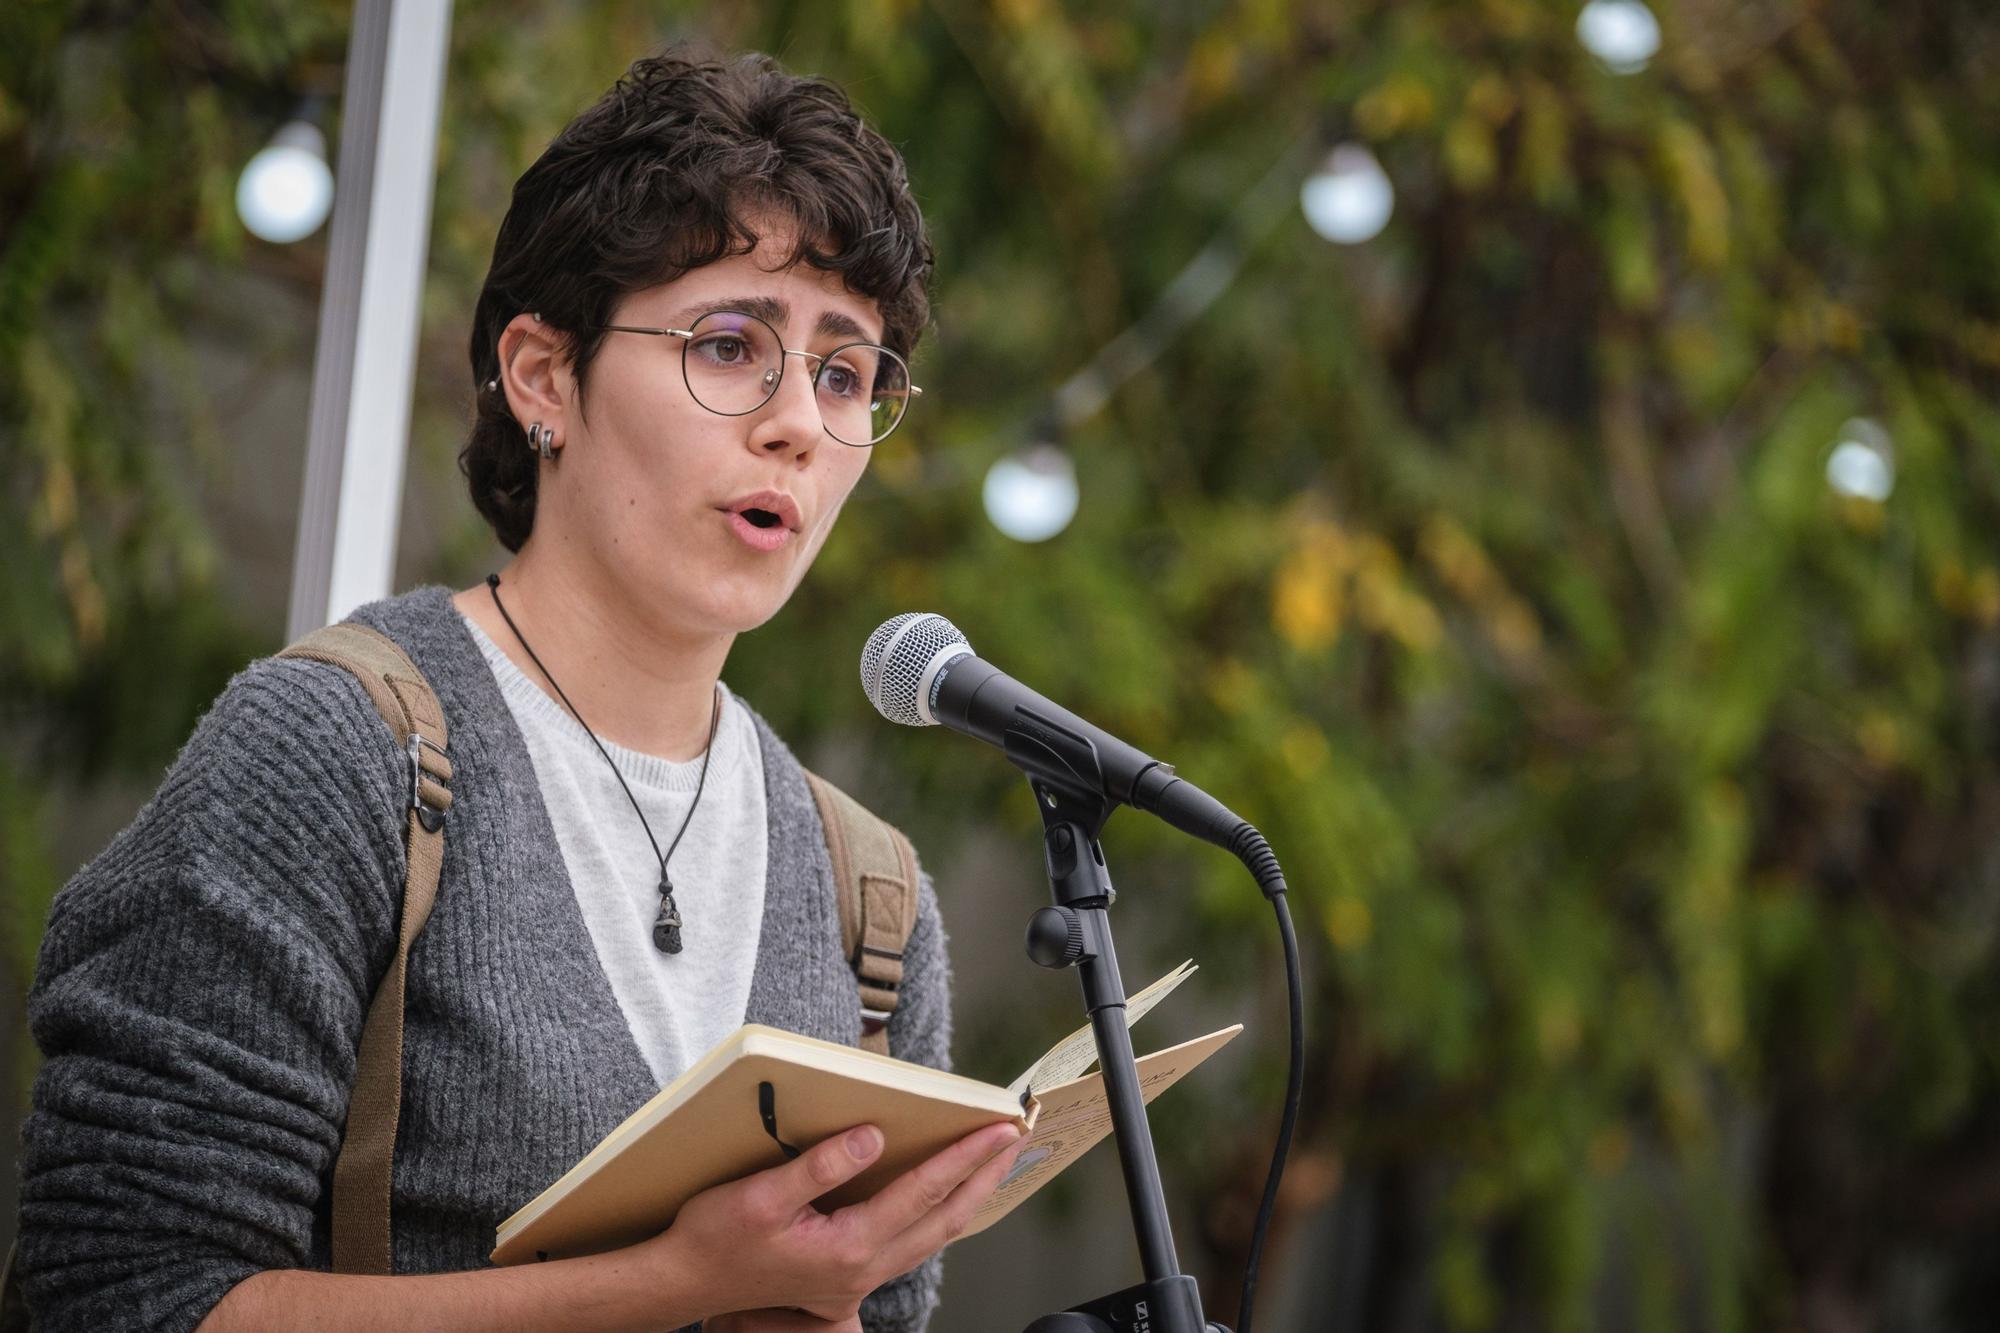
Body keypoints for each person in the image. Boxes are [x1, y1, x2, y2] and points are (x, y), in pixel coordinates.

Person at [16, 46, 1021, 1333]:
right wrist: (677, 1287)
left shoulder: (868, 899)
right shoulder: (336, 750)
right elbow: (119, 1295)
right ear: (543, 376)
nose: (796, 426)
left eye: (844, 373)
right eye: (730, 346)